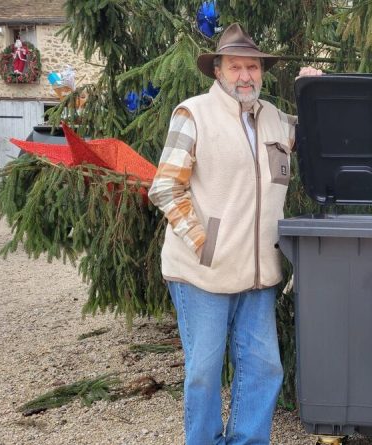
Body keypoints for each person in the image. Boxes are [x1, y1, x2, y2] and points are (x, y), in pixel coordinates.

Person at [148, 23, 321, 445]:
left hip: (259, 274)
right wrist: (205, 243)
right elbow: (165, 187)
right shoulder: (193, 114)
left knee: (264, 369)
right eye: (236, 67)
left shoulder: (276, 119)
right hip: (203, 273)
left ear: (262, 72)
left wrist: (315, 93)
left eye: (253, 67)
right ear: (218, 71)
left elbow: (321, 132)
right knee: (204, 373)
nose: (246, 76)